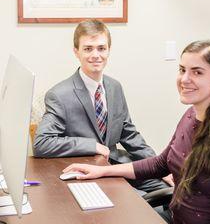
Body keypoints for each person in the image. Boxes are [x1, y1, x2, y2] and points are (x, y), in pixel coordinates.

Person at [62, 40, 210, 224]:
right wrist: (103, 170)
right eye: (182, 70)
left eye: (197, 72)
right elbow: (161, 163)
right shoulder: (192, 115)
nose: (185, 79)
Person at [33, 19, 171, 193]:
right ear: (76, 52)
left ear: (108, 50)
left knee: (170, 192)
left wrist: (160, 167)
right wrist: (92, 145)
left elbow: (129, 134)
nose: (96, 55)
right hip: (89, 173)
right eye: (88, 48)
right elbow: (42, 143)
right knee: (139, 203)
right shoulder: (59, 95)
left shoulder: (114, 87)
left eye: (101, 48)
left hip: (120, 166)